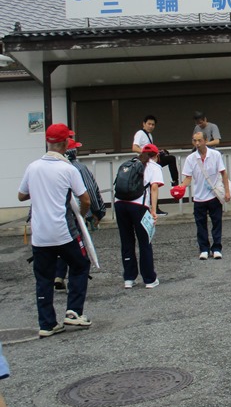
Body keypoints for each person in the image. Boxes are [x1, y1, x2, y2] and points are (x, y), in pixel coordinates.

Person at [18, 123, 92, 338]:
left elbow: (21, 195)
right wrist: (81, 216)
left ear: (48, 142)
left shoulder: (33, 167)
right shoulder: (68, 169)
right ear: (66, 143)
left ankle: (47, 323)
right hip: (63, 230)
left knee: (43, 277)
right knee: (80, 264)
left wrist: (39, 189)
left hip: (40, 234)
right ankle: (73, 311)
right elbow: (85, 199)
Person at [54, 137, 106, 290]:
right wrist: (98, 212)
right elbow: (91, 191)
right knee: (76, 248)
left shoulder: (53, 168)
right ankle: (75, 282)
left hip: (57, 214)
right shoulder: (79, 168)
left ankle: (59, 274)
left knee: (61, 245)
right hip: (75, 213)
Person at [114, 143, 162, 288]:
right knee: (144, 241)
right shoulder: (154, 166)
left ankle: (129, 278)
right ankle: (149, 279)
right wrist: (153, 210)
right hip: (138, 205)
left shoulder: (128, 163)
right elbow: (154, 188)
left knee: (126, 241)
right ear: (156, 155)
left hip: (119, 204)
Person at [179, 132, 231, 259]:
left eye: (200, 140)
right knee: (200, 224)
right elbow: (188, 177)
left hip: (214, 195)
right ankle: (204, 249)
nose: (197, 143)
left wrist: (227, 191)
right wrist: (181, 187)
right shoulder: (191, 158)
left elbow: (223, 173)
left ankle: (217, 248)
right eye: (194, 140)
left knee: (217, 222)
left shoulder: (215, 154)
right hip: (199, 196)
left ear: (206, 140)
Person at [133, 114, 180, 190]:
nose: (151, 126)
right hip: (145, 161)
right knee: (171, 159)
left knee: (169, 157)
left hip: (152, 160)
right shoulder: (140, 133)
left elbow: (151, 149)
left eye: (153, 125)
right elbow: (134, 148)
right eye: (149, 124)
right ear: (144, 124)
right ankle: (175, 182)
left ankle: (175, 182)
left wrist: (158, 152)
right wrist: (148, 152)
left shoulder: (149, 135)